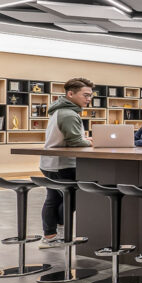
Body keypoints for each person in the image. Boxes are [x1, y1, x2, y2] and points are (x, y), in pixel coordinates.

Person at [39, 77, 94, 248]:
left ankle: (50, 236)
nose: (89, 99)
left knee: (53, 198)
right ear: (70, 94)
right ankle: (61, 233)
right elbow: (75, 142)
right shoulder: (69, 114)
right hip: (63, 164)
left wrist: (85, 139)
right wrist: (91, 142)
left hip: (48, 163)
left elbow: (71, 138)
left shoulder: (60, 111)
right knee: (73, 197)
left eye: (90, 95)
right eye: (85, 95)